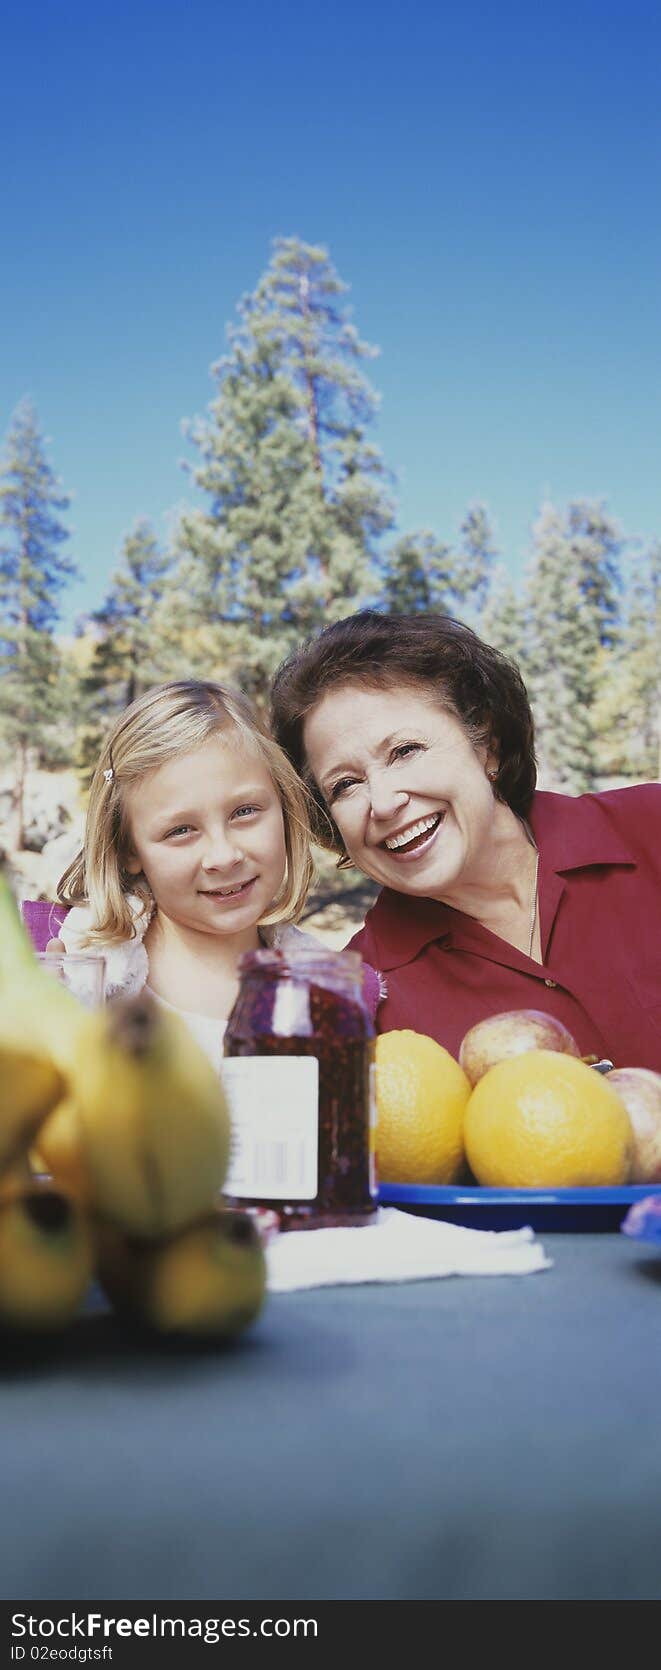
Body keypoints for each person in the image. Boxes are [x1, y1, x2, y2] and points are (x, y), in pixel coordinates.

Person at [270, 610, 661, 1072]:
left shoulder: (648, 827)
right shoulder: (358, 1001)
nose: (384, 802)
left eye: (404, 751)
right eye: (345, 785)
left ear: (486, 744)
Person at [31, 679, 380, 1071]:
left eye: (244, 811)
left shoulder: (338, 1002)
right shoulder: (49, 965)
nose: (224, 856)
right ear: (130, 849)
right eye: (180, 830)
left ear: (283, 806)